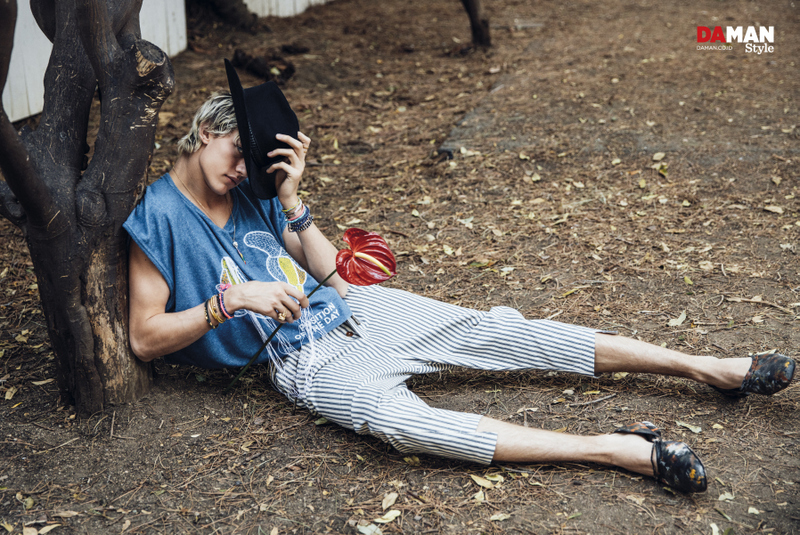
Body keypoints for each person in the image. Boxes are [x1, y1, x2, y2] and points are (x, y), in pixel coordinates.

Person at [123, 61, 796, 494]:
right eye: (235, 152)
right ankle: (621, 450)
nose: (240, 170)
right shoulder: (158, 215)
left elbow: (336, 271)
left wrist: (292, 196)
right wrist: (231, 299)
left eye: (250, 160)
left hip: (353, 305)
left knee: (504, 334)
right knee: (405, 423)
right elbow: (147, 337)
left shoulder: (256, 187)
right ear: (200, 133)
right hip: (299, 355)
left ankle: (709, 365)